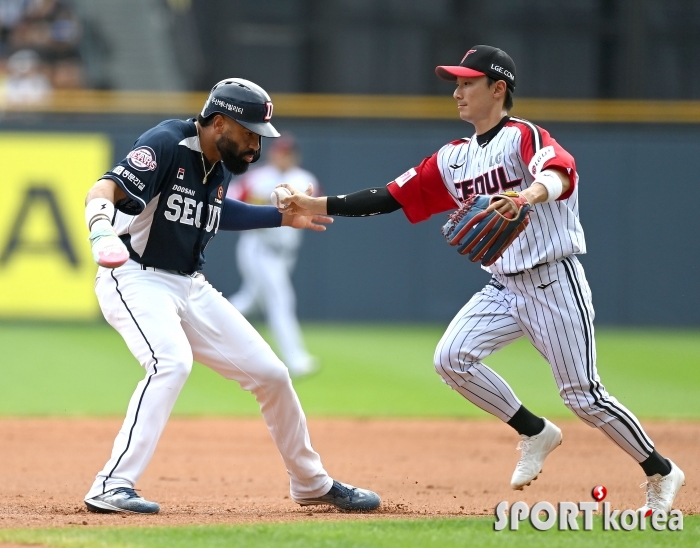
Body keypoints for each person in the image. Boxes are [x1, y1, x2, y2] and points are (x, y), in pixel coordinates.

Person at [277, 46, 685, 515]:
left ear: (498, 89)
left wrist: (526, 195)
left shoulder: (523, 137)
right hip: (503, 287)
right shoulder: (453, 158)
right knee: (451, 358)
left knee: (583, 395)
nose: (457, 91)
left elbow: (561, 173)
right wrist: (315, 205)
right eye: (456, 82)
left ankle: (661, 469)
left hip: (554, 281)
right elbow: (391, 196)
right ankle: (535, 431)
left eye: (468, 82)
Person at [82, 78, 380, 514]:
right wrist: (100, 229)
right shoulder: (166, 142)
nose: (255, 147)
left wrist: (281, 219)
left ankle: (311, 483)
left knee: (272, 375)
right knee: (171, 361)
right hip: (134, 276)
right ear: (218, 121)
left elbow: (222, 212)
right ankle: (111, 484)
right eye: (248, 134)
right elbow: (104, 188)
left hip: (188, 284)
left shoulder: (217, 163)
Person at [227, 135, 320, 378]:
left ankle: (199, 324)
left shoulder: (305, 180)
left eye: (287, 153)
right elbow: (229, 202)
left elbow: (315, 206)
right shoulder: (257, 178)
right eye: (279, 152)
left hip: (286, 254)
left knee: (250, 301)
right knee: (281, 300)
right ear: (272, 154)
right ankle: (296, 360)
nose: (282, 156)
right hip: (258, 248)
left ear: (295, 156)